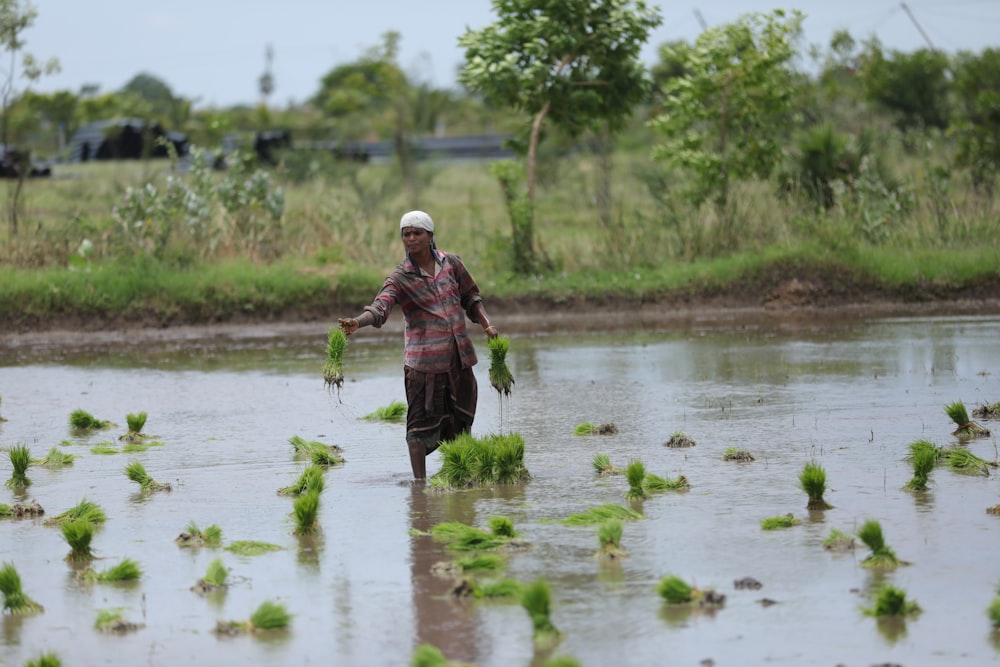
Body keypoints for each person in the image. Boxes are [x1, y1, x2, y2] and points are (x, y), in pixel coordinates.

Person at [338, 210, 499, 481]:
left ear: (430, 236)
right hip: (423, 365)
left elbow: (471, 296)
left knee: (461, 420)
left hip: (459, 359)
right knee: (418, 428)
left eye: (417, 233)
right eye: (406, 234)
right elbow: (381, 306)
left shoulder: (452, 263)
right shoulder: (401, 277)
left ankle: (461, 476)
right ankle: (419, 484)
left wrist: (486, 324)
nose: (411, 238)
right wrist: (358, 321)